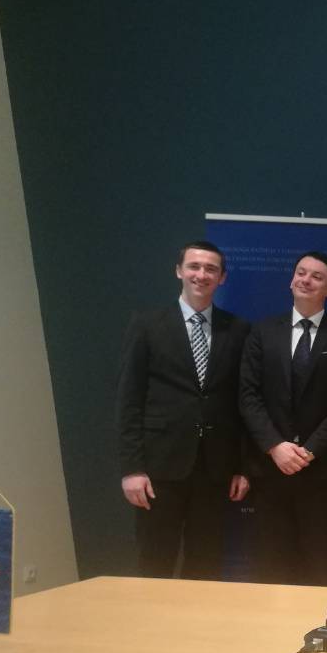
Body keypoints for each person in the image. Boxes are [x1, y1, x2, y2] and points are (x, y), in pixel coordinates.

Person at [116, 240, 250, 579]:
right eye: (194, 266)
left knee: (206, 563)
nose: (201, 274)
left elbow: (242, 404)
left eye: (211, 269)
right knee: (155, 561)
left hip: (215, 470)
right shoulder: (147, 324)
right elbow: (129, 399)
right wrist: (132, 469)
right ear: (179, 271)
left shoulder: (238, 329)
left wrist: (241, 466)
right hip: (159, 468)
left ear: (222, 277)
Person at [238, 251, 327, 585]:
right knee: (271, 568)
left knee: (316, 568)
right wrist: (275, 446)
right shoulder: (262, 332)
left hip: (322, 474)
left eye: (317, 276)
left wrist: (309, 451)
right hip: (271, 470)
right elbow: (248, 396)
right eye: (301, 272)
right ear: (291, 279)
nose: (306, 280)